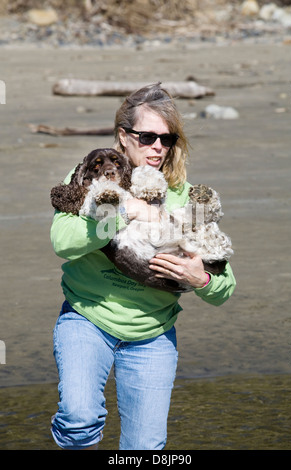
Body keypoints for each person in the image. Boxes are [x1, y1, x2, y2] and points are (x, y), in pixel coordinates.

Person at [50, 83, 236, 450]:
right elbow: (64, 242)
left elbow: (225, 287)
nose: (157, 148)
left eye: (167, 139)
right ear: (124, 136)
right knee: (78, 418)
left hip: (153, 335)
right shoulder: (92, 172)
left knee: (144, 449)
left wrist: (199, 279)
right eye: (147, 136)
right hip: (88, 319)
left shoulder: (183, 193)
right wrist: (126, 212)